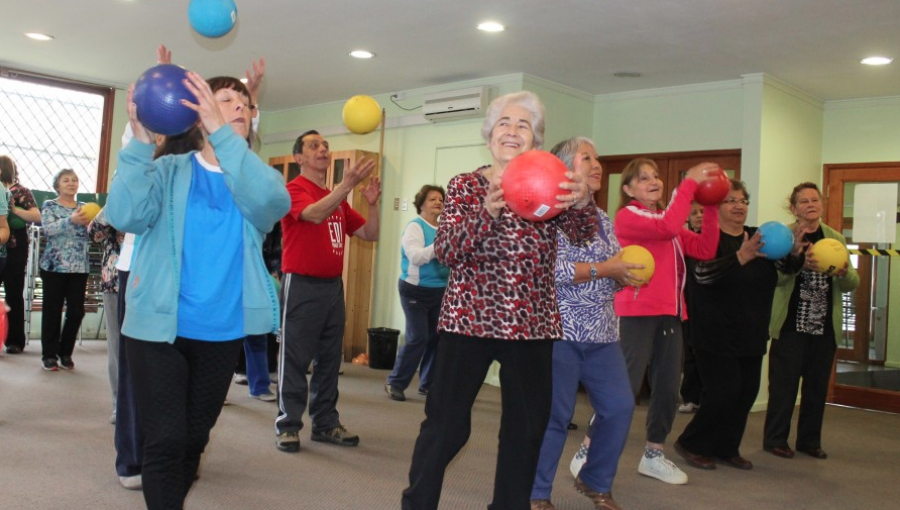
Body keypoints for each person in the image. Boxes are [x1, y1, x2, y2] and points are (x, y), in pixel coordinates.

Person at [401, 91, 595, 510]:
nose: (512, 130)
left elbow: (584, 235)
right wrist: (486, 212)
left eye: (524, 125)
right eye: (505, 123)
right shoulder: (465, 186)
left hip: (532, 323)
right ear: (490, 134)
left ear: (536, 140)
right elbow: (449, 251)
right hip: (467, 321)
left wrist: (581, 200)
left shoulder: (551, 183)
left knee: (526, 431)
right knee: (446, 428)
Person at [105, 72, 289, 510]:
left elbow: (272, 204)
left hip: (220, 333)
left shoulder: (252, 180)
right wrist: (139, 142)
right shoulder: (168, 170)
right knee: (166, 438)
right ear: (196, 112)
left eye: (245, 102)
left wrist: (225, 136)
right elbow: (124, 214)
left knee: (192, 439)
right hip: (158, 331)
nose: (240, 106)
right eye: (225, 99)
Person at [529, 137, 637, 510]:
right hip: (560, 331)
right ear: (563, 168)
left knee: (620, 408)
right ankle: (537, 493)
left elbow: (611, 264)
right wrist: (607, 269)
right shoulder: (545, 213)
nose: (596, 165)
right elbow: (549, 270)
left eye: (598, 158)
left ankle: (594, 479)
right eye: (586, 157)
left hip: (603, 333)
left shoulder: (603, 218)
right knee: (555, 416)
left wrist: (621, 275)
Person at [613, 158, 720, 485]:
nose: (653, 181)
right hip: (636, 313)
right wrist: (688, 185)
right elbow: (669, 227)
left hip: (671, 314)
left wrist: (711, 205)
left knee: (667, 388)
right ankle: (591, 448)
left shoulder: (666, 220)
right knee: (623, 388)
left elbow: (705, 248)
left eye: (655, 176)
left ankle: (653, 454)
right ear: (629, 189)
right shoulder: (628, 216)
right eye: (643, 178)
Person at [275, 129, 381, 452]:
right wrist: (345, 186)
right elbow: (314, 214)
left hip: (333, 288)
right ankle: (287, 425)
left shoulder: (339, 201)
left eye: (325, 145)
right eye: (314, 145)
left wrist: (372, 204)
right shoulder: (292, 190)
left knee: (330, 359)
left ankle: (325, 422)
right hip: (301, 284)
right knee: (294, 359)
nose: (322, 149)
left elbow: (370, 233)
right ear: (299, 158)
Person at [673, 180, 781, 471]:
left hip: (752, 330)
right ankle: (691, 442)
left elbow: (786, 269)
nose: (739, 206)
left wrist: (796, 253)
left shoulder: (761, 238)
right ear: (715, 208)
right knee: (723, 392)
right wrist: (739, 258)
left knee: (745, 393)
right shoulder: (704, 238)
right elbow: (702, 275)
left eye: (743, 200)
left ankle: (726, 447)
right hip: (714, 331)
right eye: (730, 200)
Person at [763, 182, 859, 460]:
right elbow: (776, 279)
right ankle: (775, 439)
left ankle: (809, 441)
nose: (810, 205)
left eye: (814, 200)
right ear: (794, 208)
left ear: (822, 204)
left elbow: (852, 282)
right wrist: (797, 264)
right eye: (803, 201)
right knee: (783, 387)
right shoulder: (783, 238)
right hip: (791, 324)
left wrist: (842, 273)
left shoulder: (835, 238)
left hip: (823, 327)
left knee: (816, 388)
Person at [384, 184, 449, 401]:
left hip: (439, 290)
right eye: (432, 199)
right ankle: (395, 383)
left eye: (440, 199)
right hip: (414, 290)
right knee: (417, 337)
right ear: (421, 204)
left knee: (437, 339)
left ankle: (428, 384)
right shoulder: (415, 227)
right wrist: (439, 245)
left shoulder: (444, 229)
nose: (438, 202)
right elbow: (416, 257)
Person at [39, 169, 90, 371]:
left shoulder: (87, 208)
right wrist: (71, 220)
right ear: (57, 185)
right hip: (53, 266)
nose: (71, 183)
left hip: (79, 266)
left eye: (75, 180)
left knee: (76, 312)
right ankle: (49, 355)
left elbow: (94, 233)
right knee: (52, 311)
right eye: (66, 180)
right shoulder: (49, 206)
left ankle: (65, 352)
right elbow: (48, 230)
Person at [0, 156, 41, 354]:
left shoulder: (21, 191)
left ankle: (14, 341)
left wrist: (14, 210)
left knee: (14, 293)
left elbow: (36, 216)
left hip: (16, 248)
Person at [87, 208, 124, 424]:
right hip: (116, 281)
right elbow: (93, 234)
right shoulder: (114, 204)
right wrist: (112, 209)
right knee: (117, 346)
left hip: (150, 281)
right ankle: (120, 405)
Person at [678, 201, 704, 414]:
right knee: (689, 353)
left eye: (702, 212)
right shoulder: (683, 241)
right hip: (688, 305)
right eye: (694, 213)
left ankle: (707, 396)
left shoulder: (713, 241)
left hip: (710, 308)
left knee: (706, 353)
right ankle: (690, 397)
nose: (698, 216)